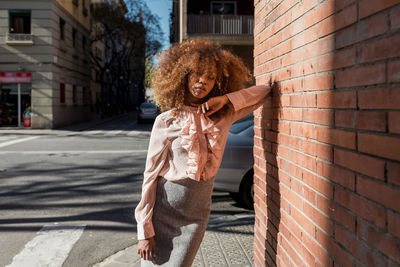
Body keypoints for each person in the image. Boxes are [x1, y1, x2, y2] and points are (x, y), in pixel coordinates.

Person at [135, 39, 272, 266]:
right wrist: (145, 230)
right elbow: (150, 176)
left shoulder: (224, 114)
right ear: (183, 75)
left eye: (210, 77)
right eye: (197, 73)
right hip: (163, 211)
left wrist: (227, 99)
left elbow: (264, 92)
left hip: (197, 215)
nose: (203, 81)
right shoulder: (166, 120)